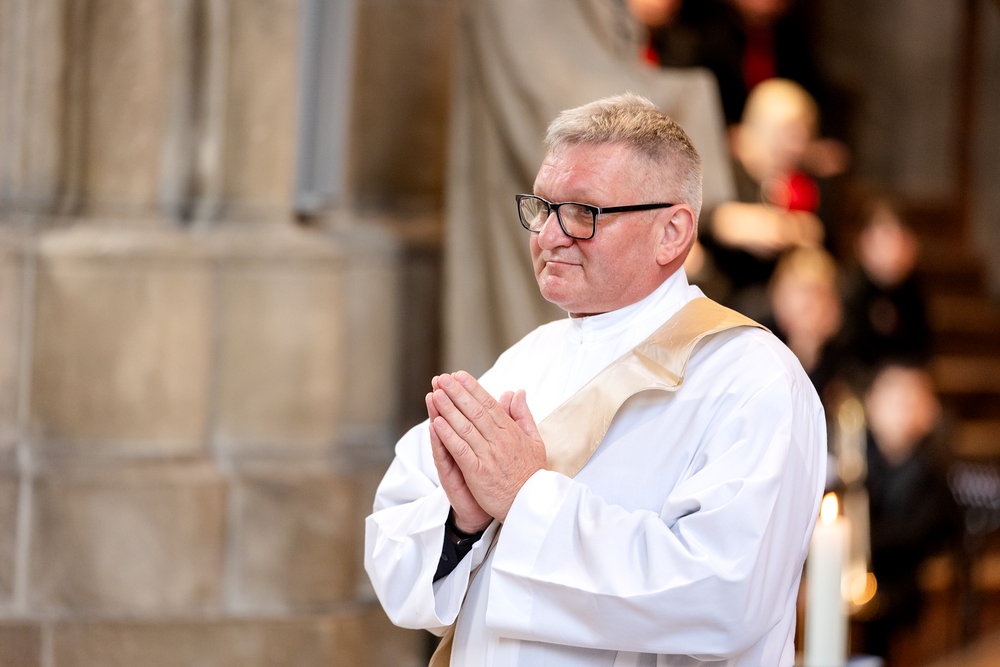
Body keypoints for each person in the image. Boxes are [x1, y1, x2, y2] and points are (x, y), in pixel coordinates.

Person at [365, 94, 827, 667]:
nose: (548, 236)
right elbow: (392, 547)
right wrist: (463, 524)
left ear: (671, 232)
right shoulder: (526, 360)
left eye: (583, 213)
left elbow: (724, 597)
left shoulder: (752, 380)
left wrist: (525, 498)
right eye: (542, 207)